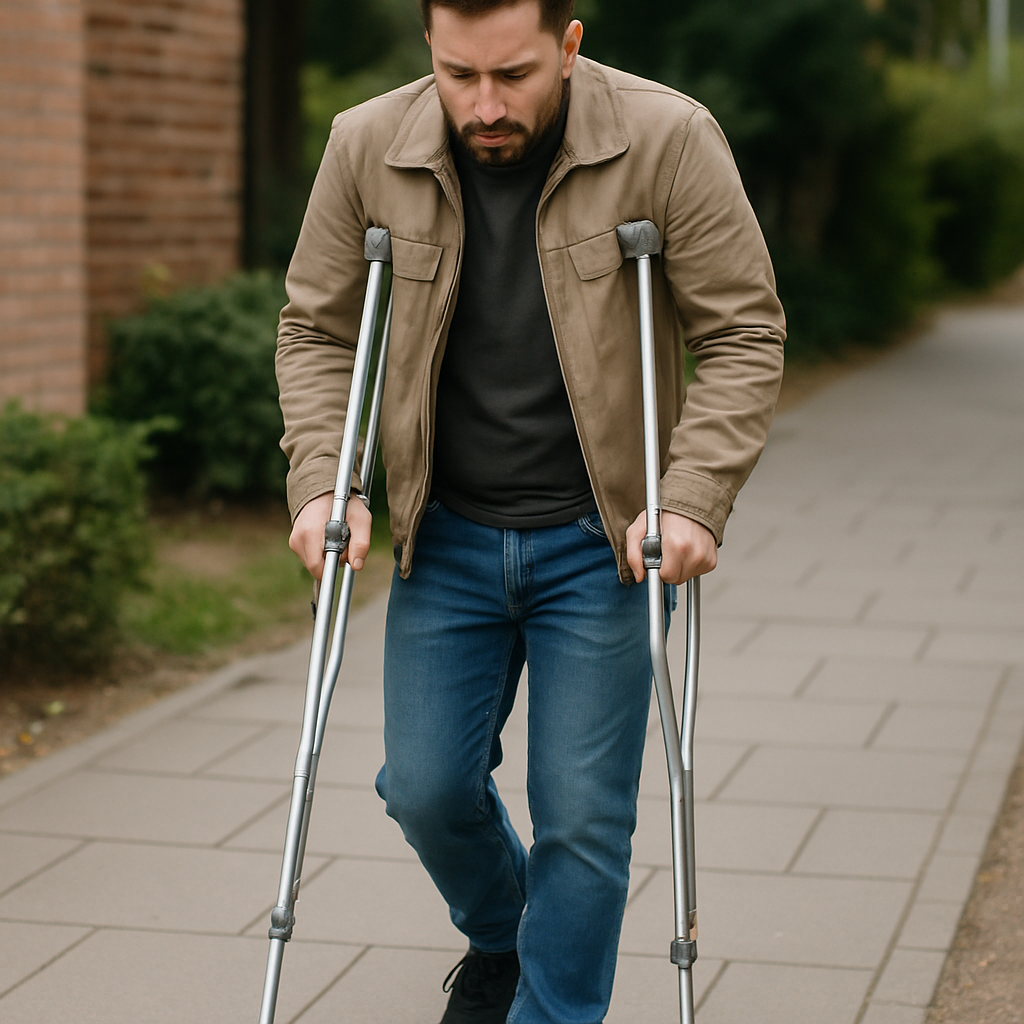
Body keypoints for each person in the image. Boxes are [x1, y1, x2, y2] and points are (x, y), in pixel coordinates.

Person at [277, 1, 785, 1021]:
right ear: (429, 45)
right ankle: (507, 933)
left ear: (569, 42)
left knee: (583, 819)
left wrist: (689, 501)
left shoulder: (666, 138)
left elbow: (743, 332)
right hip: (447, 534)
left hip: (606, 547)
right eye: (458, 74)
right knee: (421, 788)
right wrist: (327, 479)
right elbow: (319, 330)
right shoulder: (367, 145)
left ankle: (548, 1009)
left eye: (511, 73)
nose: (483, 104)